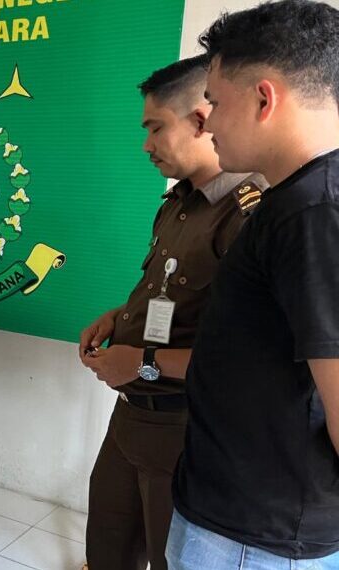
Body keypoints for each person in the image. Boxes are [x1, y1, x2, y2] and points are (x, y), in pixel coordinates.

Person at [168, 1, 339, 566]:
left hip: (255, 541)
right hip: (238, 518)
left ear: (265, 99)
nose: (209, 123)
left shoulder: (315, 213)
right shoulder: (294, 202)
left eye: (215, 103)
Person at [79, 55, 266, 570]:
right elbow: (176, 293)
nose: (147, 144)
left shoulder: (249, 213)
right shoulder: (178, 203)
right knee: (106, 551)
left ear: (201, 121)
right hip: (131, 416)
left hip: (183, 428)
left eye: (155, 127)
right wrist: (120, 316)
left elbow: (247, 358)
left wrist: (141, 362)